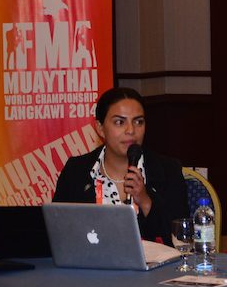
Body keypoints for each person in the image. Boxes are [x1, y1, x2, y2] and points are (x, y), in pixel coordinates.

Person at [52, 87, 188, 245]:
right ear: (100, 128)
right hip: (89, 260)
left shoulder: (168, 170)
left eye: (138, 122)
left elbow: (182, 238)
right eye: (119, 122)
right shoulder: (76, 170)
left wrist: (145, 201)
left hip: (151, 261)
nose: (131, 130)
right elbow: (57, 232)